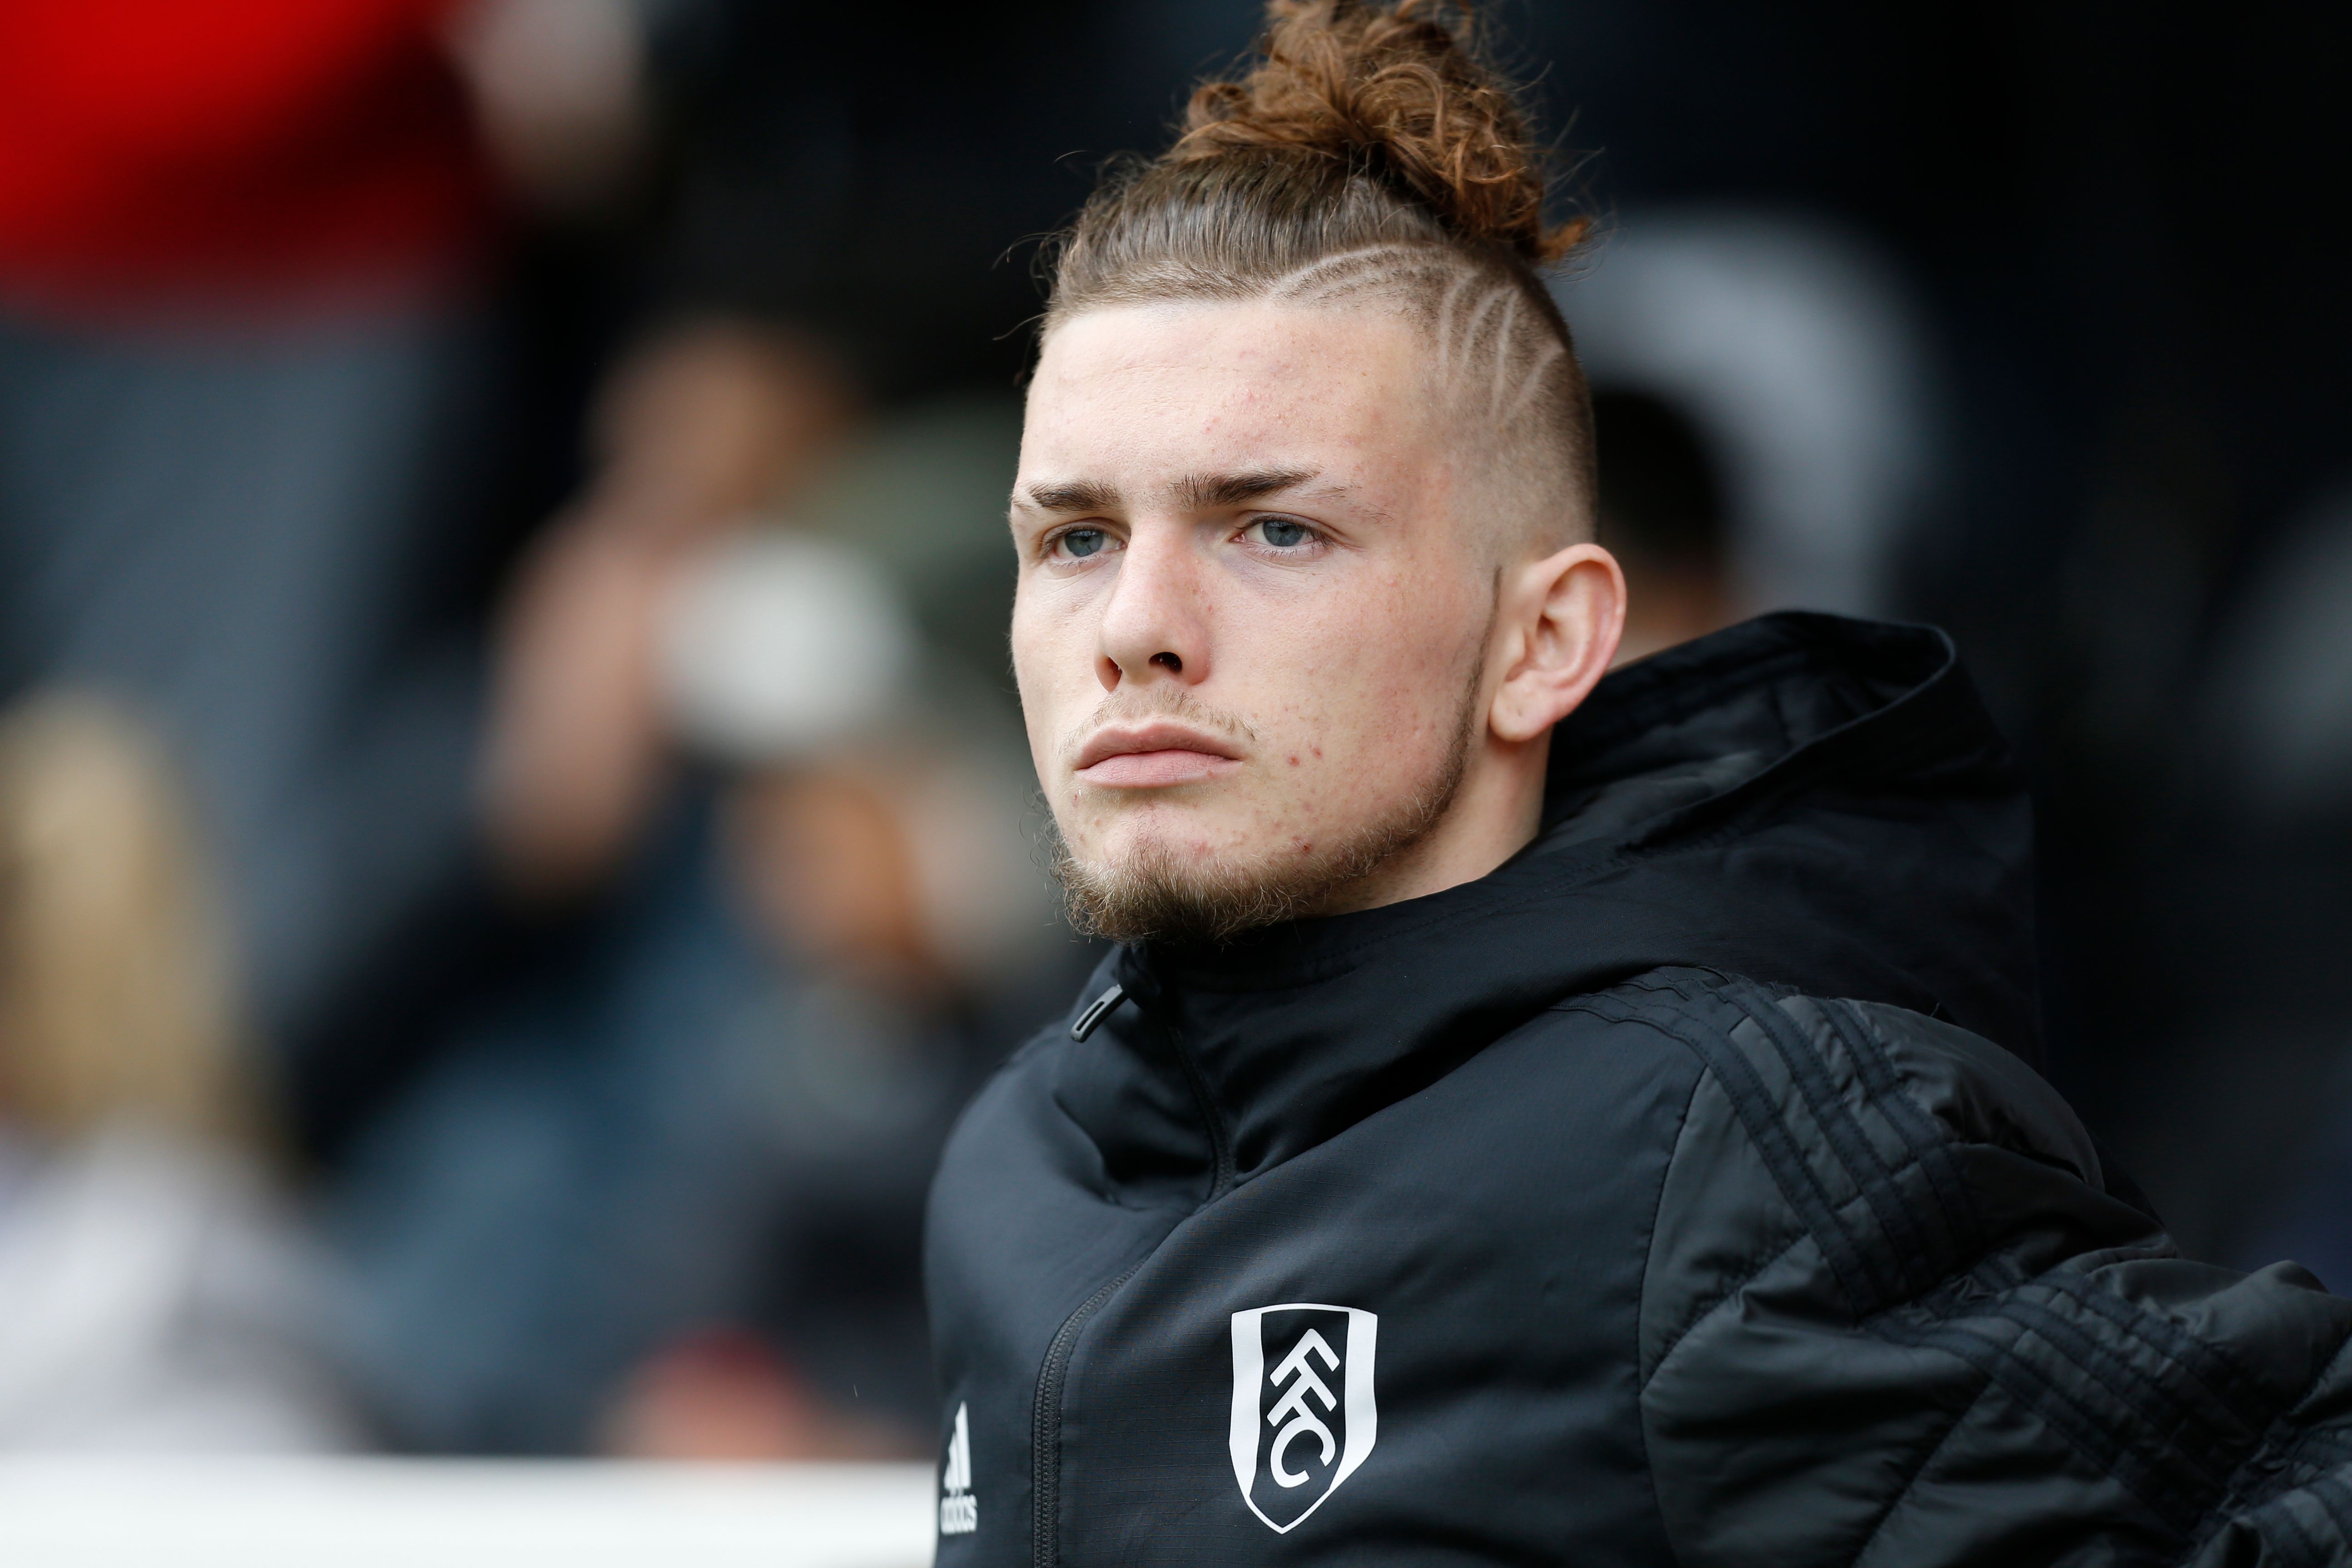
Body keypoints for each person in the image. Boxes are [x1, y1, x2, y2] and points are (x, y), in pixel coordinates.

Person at [923, 3, 2352, 1563]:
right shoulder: (1019, 1150)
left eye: (1275, 531)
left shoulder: (1734, 1145)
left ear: (1545, 642)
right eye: (1075, 539)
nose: (1136, 629)